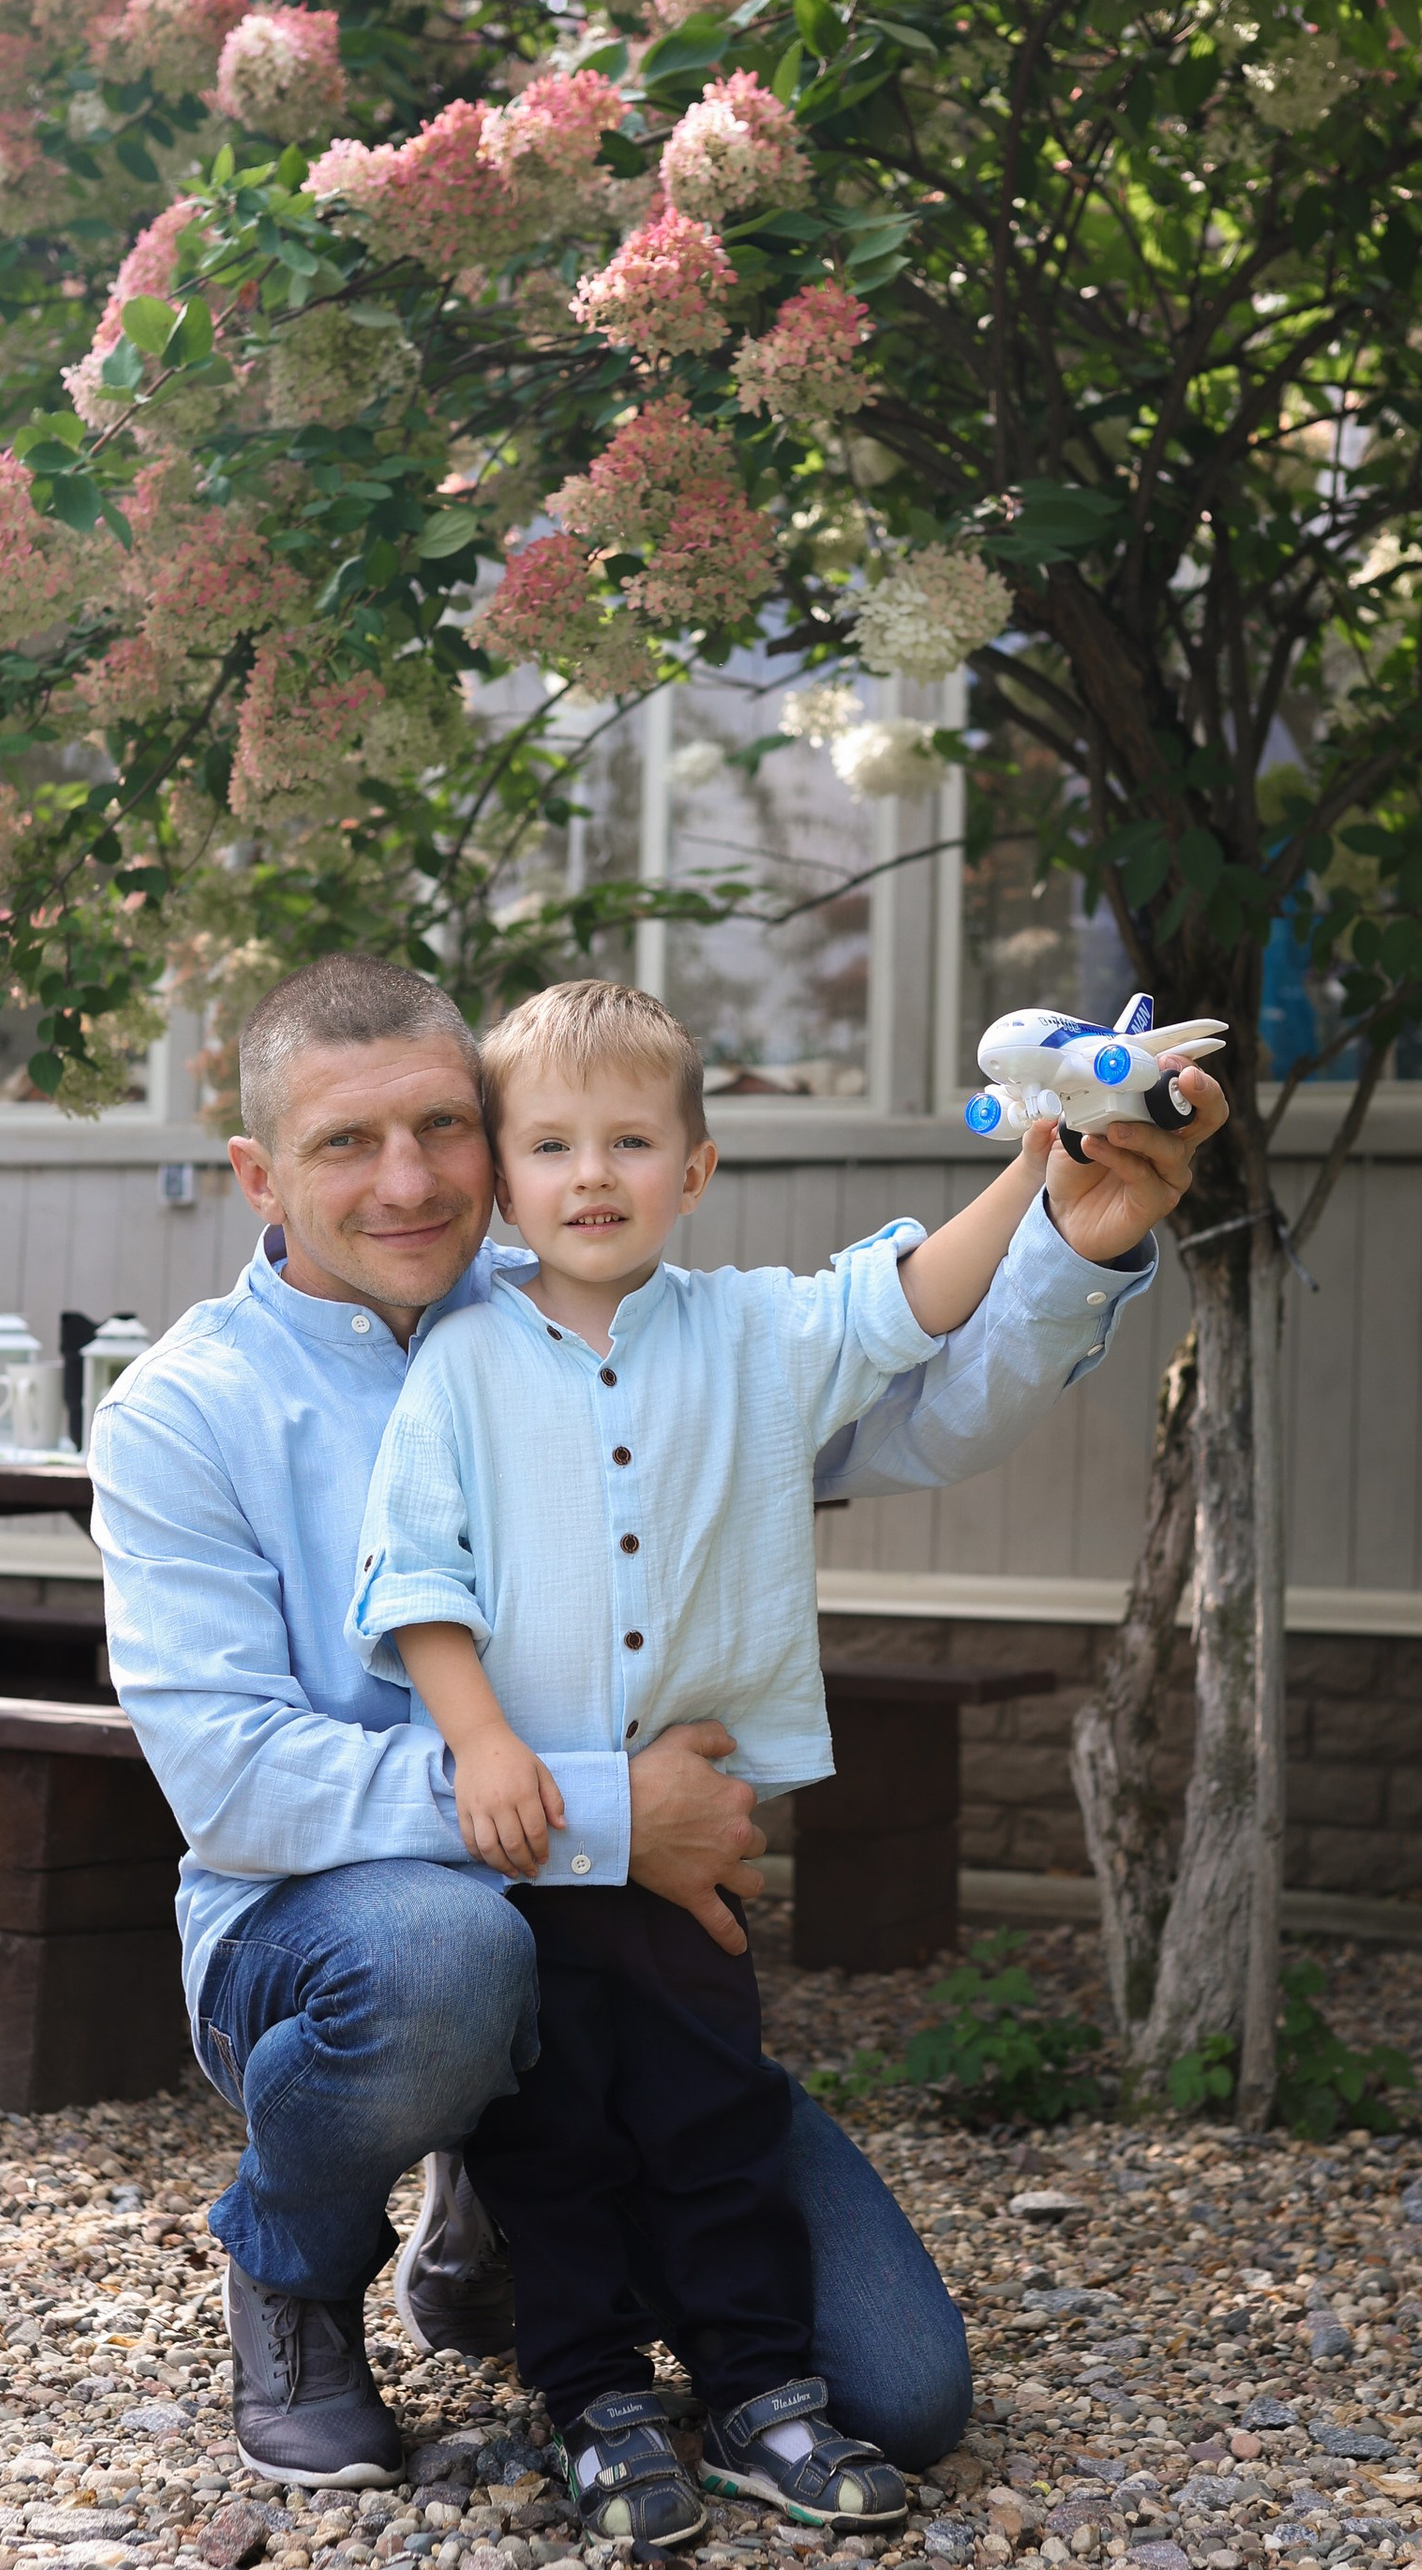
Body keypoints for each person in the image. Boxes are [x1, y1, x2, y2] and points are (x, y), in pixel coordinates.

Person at [90, 951, 1227, 2492]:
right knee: (448, 1954)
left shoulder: (606, 1313)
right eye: (347, 1144)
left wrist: (1071, 1248)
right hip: (326, 1949)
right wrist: (615, 1812)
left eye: (444, 1127)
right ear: (256, 1177)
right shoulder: (184, 1411)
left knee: (902, 2398)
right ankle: (295, 2262)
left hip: (618, 1955)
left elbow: (914, 1411)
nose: (411, 1180)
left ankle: (502, 2188)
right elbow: (236, 1785)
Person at [350, 979, 1061, 2554]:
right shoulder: (462, 1362)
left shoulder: (754, 1334)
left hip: (688, 1849)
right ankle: (590, 2395)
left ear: (697, 1167)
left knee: (711, 2116)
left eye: (628, 1141)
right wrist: (477, 1741)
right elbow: (416, 1575)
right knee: (558, 2137)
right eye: (550, 1144)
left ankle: (759, 2394)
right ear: (505, 1178)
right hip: (533, 1848)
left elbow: (910, 1301)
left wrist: (1040, 1170)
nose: (590, 1174)